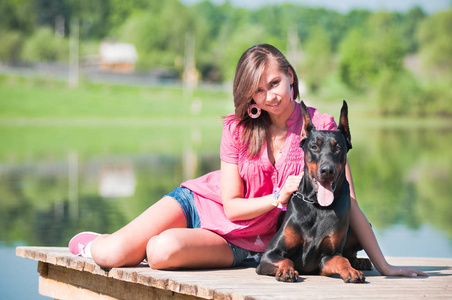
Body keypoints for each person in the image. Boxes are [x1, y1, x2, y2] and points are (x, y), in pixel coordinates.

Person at [69, 43, 426, 277]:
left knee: (161, 251)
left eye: (274, 82)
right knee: (114, 253)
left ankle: (153, 244)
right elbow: (232, 207)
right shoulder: (238, 128)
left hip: (245, 243)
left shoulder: (321, 129)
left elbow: (350, 203)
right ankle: (96, 242)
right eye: (258, 89)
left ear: (290, 77)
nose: (269, 95)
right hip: (201, 206)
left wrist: (386, 266)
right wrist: (278, 197)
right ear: (248, 94)